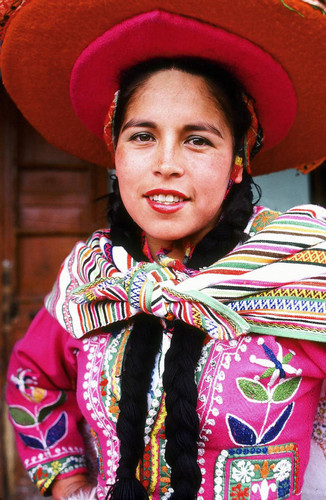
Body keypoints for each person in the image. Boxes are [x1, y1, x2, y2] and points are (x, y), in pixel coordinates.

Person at [1, 2, 326, 500]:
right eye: (143, 136)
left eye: (197, 139)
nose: (166, 164)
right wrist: (68, 483)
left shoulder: (302, 270)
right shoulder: (91, 278)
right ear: (116, 153)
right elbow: (33, 376)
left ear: (237, 161)